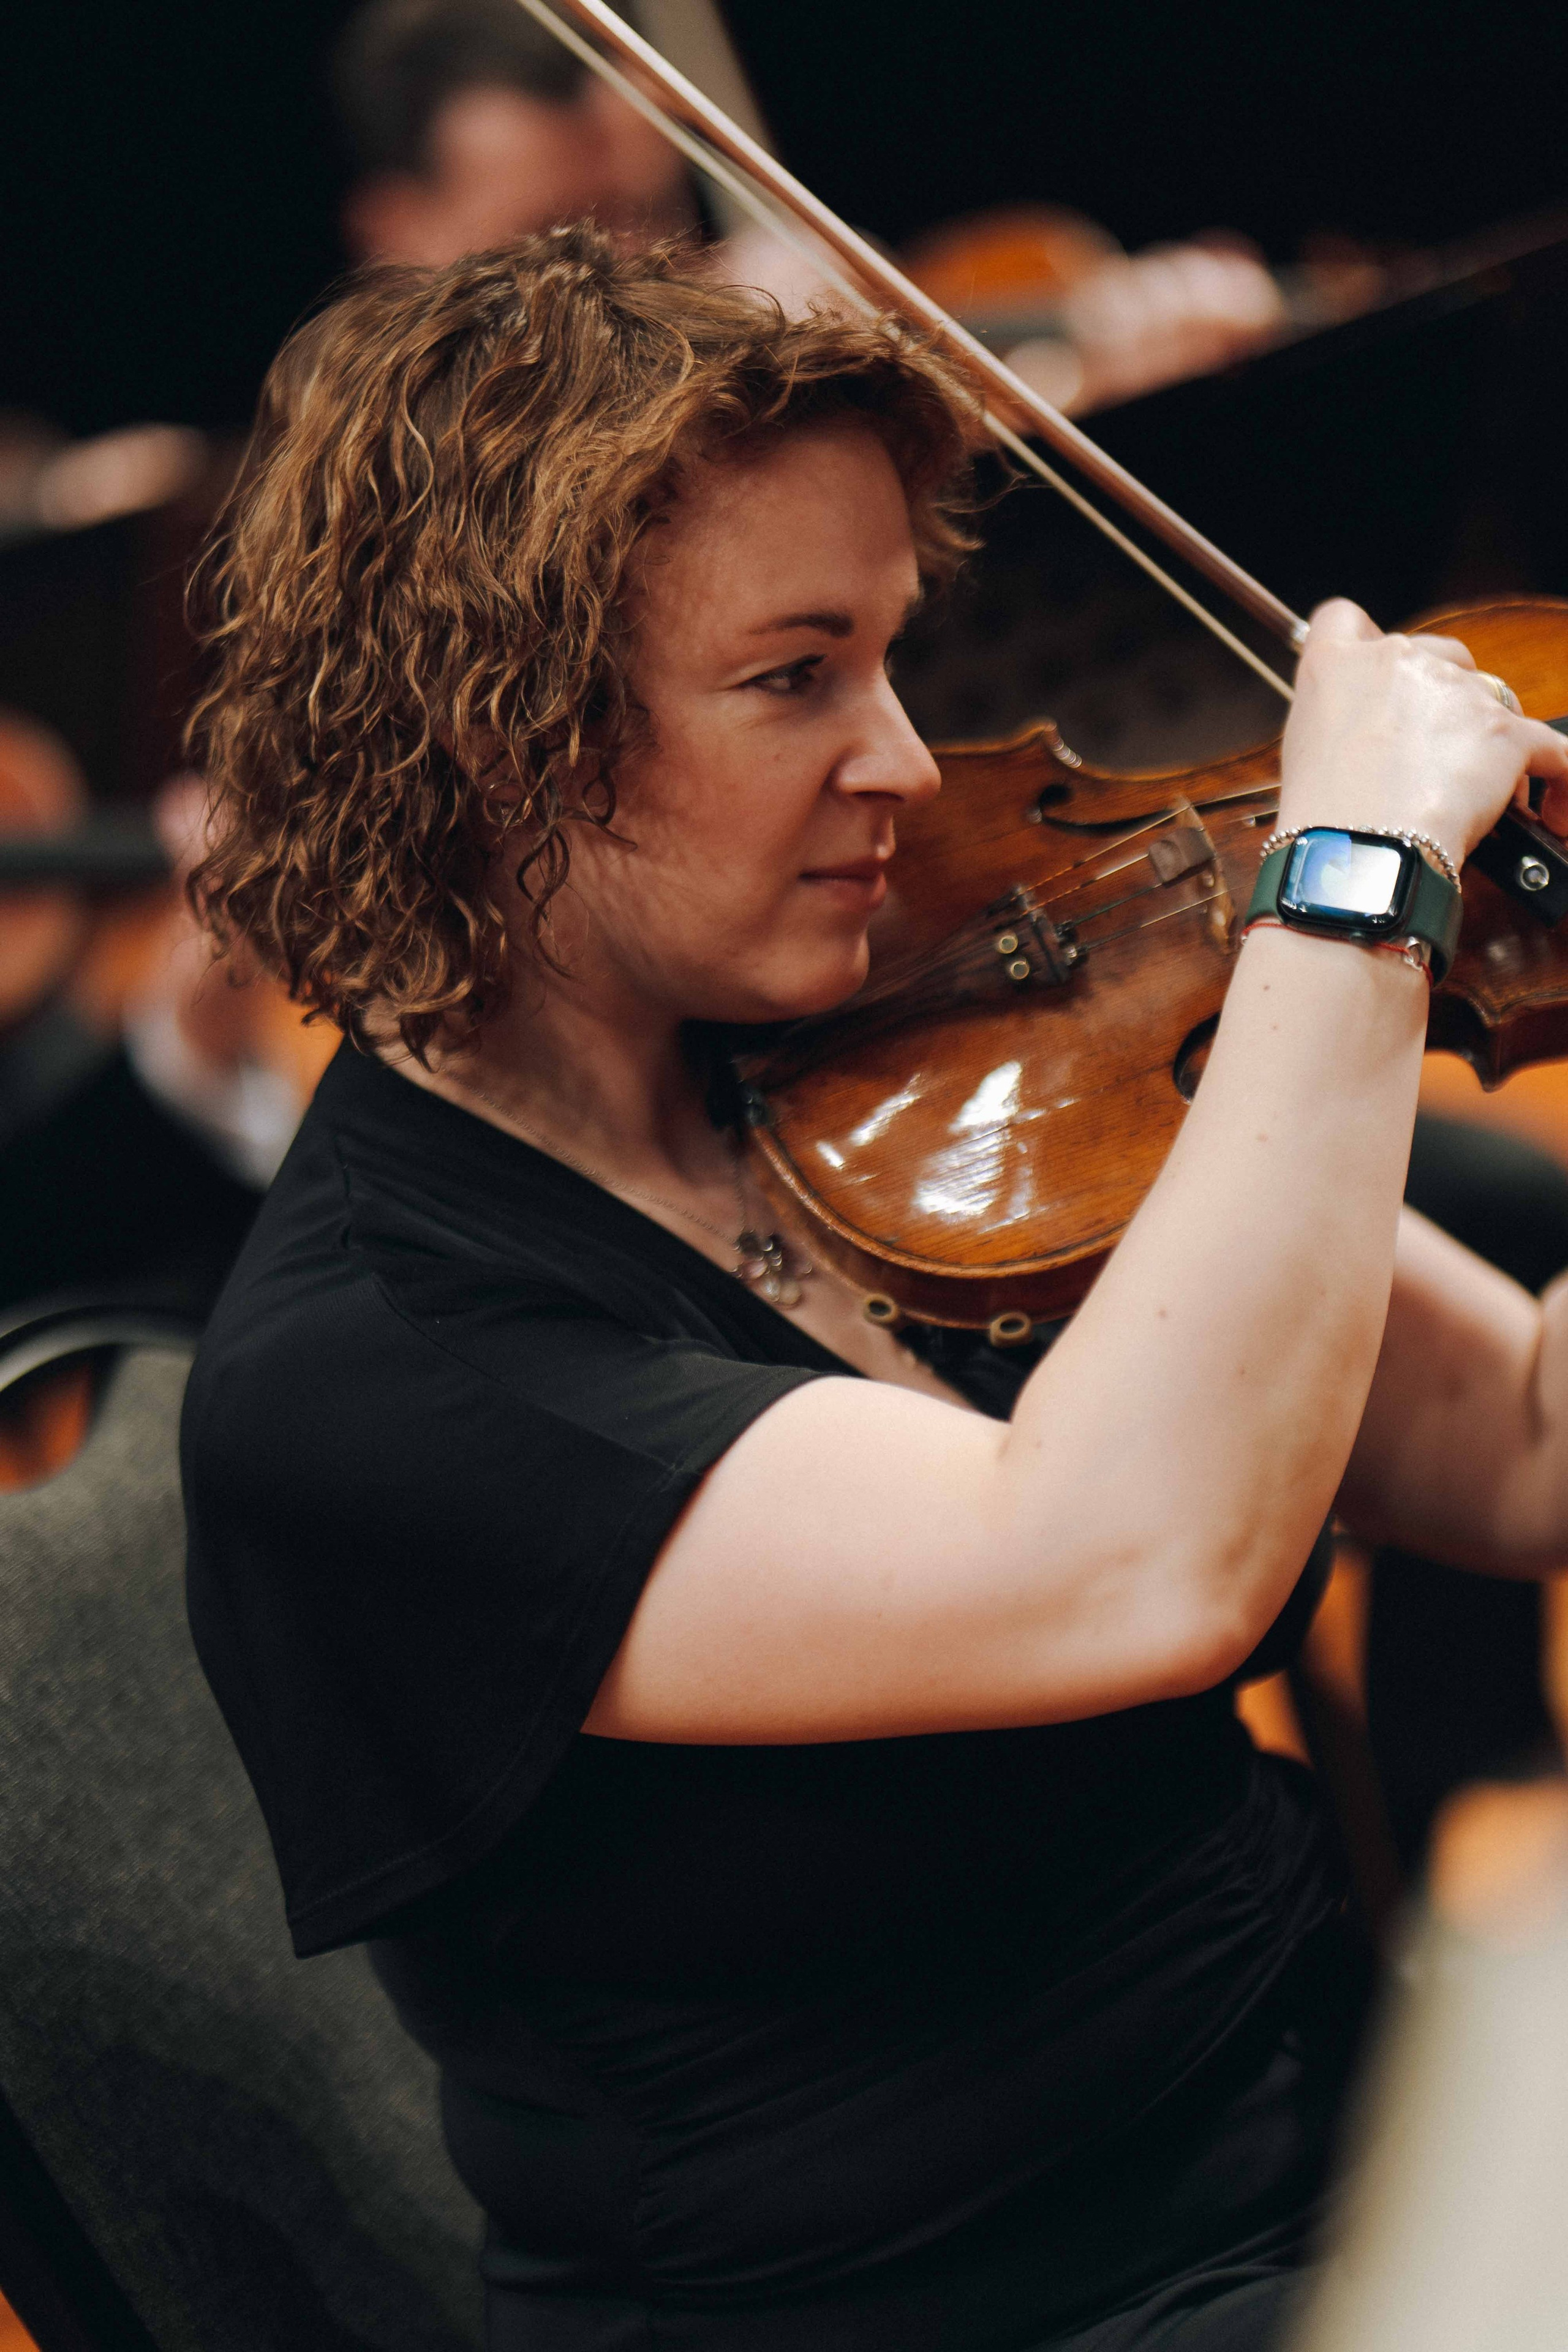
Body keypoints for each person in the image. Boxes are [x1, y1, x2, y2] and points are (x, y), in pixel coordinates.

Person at [181, 230, 1568, 2351]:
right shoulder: (381, 1380)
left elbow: (1533, 1448)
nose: (909, 763)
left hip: (1350, 2162)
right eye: (793, 675)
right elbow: (1128, 1566)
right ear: (502, 736)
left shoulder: (915, 1076)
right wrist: (1351, 887)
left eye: (897, 657)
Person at [332, 0, 1287, 412]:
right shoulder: (390, 470)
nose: (630, 279)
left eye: (647, 220)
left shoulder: (780, 296)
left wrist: (1110, 367)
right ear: (394, 232)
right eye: (553, 242)